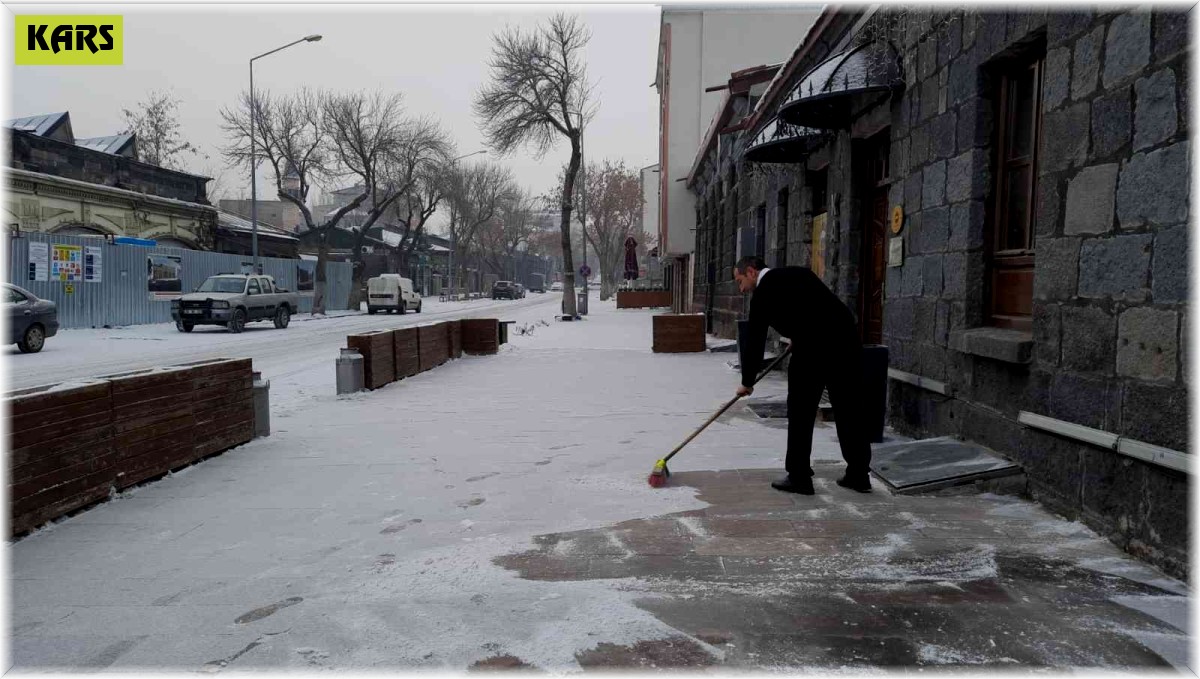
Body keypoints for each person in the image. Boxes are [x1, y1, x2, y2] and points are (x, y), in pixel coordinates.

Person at [733, 256, 872, 495]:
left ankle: (799, 477)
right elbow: (820, 307)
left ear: (752, 272)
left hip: (811, 352)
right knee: (849, 409)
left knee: (800, 412)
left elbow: (754, 341)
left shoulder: (762, 294)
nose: (741, 288)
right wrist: (798, 335)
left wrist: (747, 382)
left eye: (740, 281)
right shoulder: (799, 273)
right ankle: (858, 474)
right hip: (845, 343)